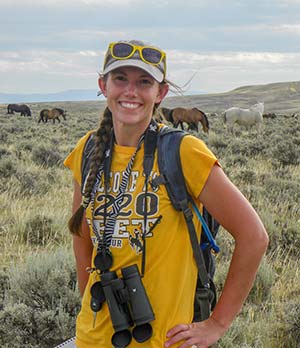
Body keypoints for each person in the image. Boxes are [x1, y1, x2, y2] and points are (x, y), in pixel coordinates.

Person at [63, 39, 269, 348]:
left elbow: (254, 237)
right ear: (103, 85)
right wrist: (87, 308)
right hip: (95, 338)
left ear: (160, 93)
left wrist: (216, 323)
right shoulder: (88, 149)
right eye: (120, 79)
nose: (131, 91)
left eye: (144, 82)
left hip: (164, 340)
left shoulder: (183, 151)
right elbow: (82, 235)